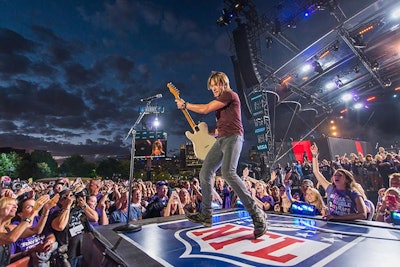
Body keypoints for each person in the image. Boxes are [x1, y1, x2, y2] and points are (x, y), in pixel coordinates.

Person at [175, 71, 267, 239]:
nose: (213, 89)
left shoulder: (230, 95)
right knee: (204, 173)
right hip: (222, 139)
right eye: (211, 87)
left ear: (223, 83)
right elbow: (219, 128)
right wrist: (207, 135)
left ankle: (257, 215)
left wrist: (185, 105)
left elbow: (205, 109)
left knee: (228, 173)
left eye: (215, 85)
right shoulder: (224, 103)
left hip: (233, 138)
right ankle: (206, 215)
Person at [311, 143, 367, 221]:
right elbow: (316, 171)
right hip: (333, 225)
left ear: (347, 180)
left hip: (348, 226)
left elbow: (362, 214)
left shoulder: (354, 194)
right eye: (335, 175)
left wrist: (337, 218)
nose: (336, 176)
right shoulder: (330, 188)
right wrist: (314, 155)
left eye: (340, 175)